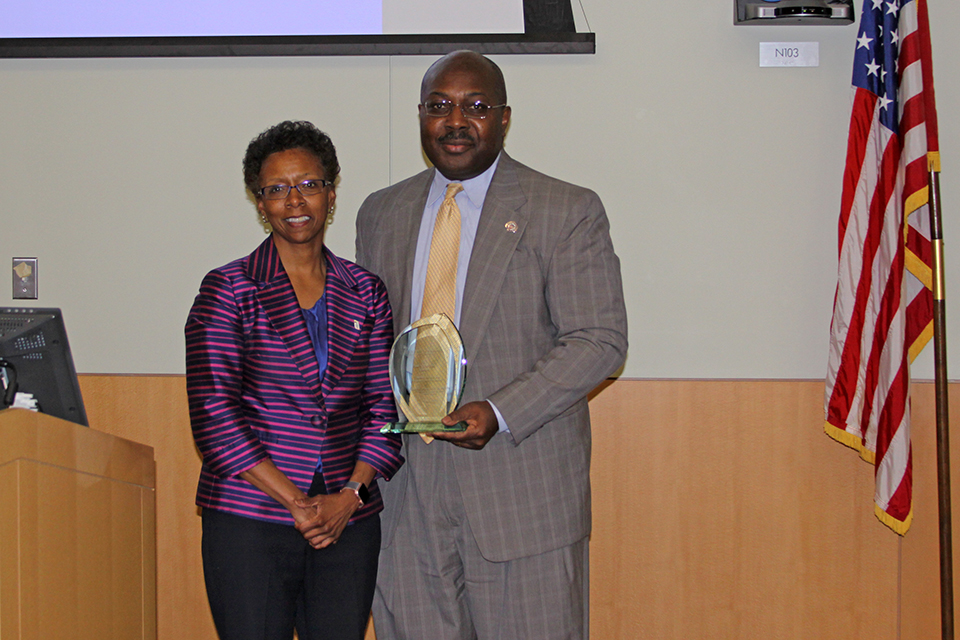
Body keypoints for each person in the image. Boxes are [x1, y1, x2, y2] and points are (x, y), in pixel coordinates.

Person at [355, 51, 628, 640]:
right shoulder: (381, 213)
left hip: (519, 490)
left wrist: (499, 411)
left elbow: (600, 340)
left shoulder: (565, 209)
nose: (455, 121)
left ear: (504, 119)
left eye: (475, 107)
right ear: (421, 117)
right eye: (439, 107)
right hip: (408, 496)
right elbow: (372, 343)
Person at [186, 120, 403, 640]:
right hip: (250, 516)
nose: (294, 200)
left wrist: (350, 494)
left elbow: (385, 408)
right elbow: (214, 414)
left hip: (347, 520)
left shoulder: (367, 291)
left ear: (331, 191)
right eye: (276, 189)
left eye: (308, 183)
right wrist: (296, 503)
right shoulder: (230, 288)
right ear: (259, 204)